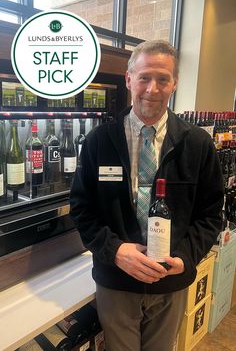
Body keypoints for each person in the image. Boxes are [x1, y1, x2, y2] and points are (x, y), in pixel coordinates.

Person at [70, 40, 224, 351]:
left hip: (170, 282)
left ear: (175, 83)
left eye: (163, 79)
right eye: (144, 78)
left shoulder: (197, 144)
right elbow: (82, 208)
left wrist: (185, 257)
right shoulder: (99, 141)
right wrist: (114, 251)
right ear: (129, 80)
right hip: (116, 281)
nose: (152, 89)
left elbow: (211, 214)